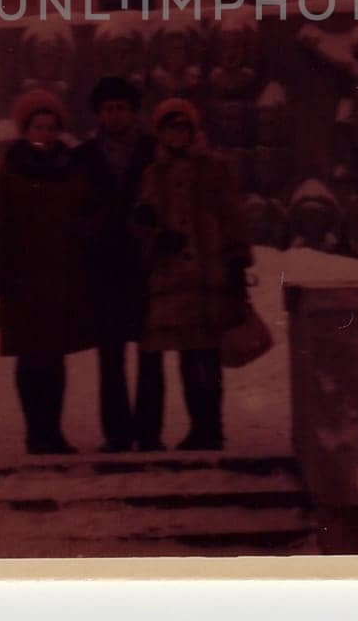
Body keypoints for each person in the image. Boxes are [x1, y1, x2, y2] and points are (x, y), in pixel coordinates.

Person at [132, 98, 252, 452]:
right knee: (187, 352)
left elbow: (232, 216)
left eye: (183, 127)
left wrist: (236, 260)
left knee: (208, 354)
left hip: (209, 272)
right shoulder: (154, 173)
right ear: (161, 133)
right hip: (171, 279)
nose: (177, 134)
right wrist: (153, 234)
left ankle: (210, 426)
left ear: (193, 130)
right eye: (170, 128)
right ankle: (197, 428)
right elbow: (142, 218)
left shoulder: (215, 168)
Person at [0, 89, 97, 454]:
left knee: (55, 359)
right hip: (23, 279)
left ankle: (54, 431)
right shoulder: (10, 170)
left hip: (62, 276)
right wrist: (0, 274)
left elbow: (85, 212)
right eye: (38, 126)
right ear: (24, 129)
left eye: (51, 127)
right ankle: (35, 432)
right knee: (30, 359)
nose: (45, 133)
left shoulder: (70, 168)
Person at [77, 76, 159, 452]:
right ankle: (116, 432)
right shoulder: (83, 156)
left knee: (150, 352)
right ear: (99, 114)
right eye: (109, 108)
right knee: (110, 356)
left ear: (133, 112)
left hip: (146, 264)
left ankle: (149, 431)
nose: (115, 115)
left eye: (122, 107)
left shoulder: (154, 150)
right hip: (104, 265)